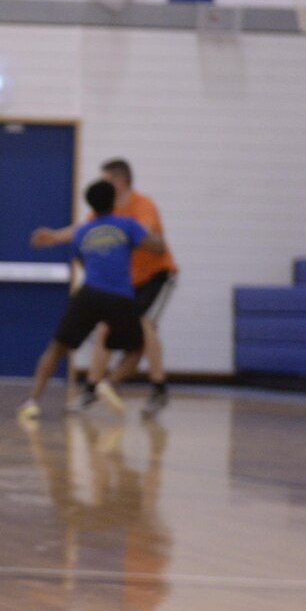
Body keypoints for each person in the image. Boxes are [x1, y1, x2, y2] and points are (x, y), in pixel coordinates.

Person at [16, 179, 167, 422]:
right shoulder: (127, 225)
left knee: (57, 348)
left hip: (90, 294)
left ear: (91, 205)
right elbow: (158, 249)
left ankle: (33, 400)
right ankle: (109, 383)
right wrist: (152, 235)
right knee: (136, 349)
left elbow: (83, 263)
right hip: (120, 296)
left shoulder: (82, 232)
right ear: (114, 201)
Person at [84, 159, 176, 417]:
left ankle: (159, 387)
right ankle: (91, 389)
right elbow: (85, 231)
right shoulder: (104, 211)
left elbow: (143, 231)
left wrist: (113, 237)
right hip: (127, 281)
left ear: (119, 182)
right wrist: (57, 237)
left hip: (156, 275)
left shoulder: (142, 205)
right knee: (106, 330)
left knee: (144, 323)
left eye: (105, 180)